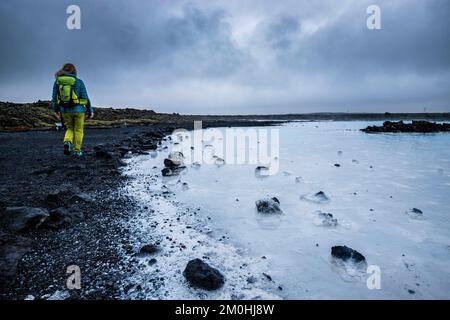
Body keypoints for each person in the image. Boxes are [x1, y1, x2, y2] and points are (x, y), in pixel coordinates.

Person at [52, 63, 94, 157]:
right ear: (74, 71)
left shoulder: (57, 82)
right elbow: (85, 98)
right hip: (79, 110)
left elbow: (54, 98)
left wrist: (55, 110)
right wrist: (90, 110)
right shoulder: (79, 82)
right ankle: (77, 151)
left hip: (65, 111)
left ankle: (67, 142)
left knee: (69, 129)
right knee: (78, 130)